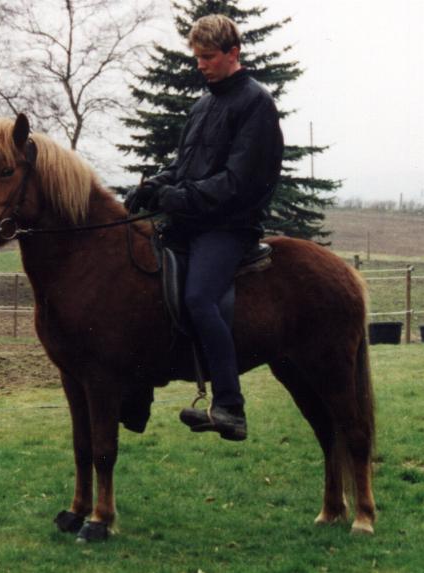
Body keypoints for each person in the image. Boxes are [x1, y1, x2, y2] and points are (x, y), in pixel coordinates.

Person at [126, 14, 284, 441]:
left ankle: (230, 405)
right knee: (137, 284)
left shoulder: (256, 104)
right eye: (197, 57)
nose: (200, 64)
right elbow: (184, 166)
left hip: (229, 226)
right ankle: (134, 396)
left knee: (198, 298)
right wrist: (154, 185)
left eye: (208, 57)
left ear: (233, 54)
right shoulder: (203, 104)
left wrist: (177, 198)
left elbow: (239, 182)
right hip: (190, 221)